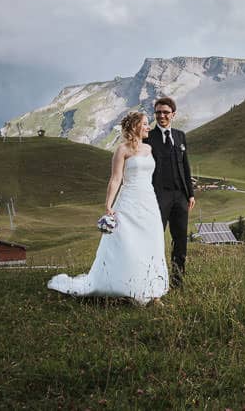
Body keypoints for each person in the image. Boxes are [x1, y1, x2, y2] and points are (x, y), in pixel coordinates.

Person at [47, 112, 168, 304]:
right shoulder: (122, 150)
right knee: (127, 243)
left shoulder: (149, 148)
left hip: (148, 201)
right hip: (128, 200)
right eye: (145, 124)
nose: (148, 127)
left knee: (151, 241)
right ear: (135, 126)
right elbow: (116, 179)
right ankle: (129, 287)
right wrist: (108, 205)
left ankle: (152, 291)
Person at [147, 96, 196, 286]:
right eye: (158, 112)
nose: (161, 116)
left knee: (180, 238)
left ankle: (178, 279)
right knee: (155, 237)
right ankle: (153, 278)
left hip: (180, 196)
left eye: (165, 112)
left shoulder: (180, 135)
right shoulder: (148, 137)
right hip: (158, 196)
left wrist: (190, 193)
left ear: (173, 115)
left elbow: (186, 166)